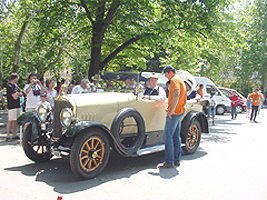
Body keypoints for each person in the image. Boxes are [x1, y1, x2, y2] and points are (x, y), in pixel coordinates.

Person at [158, 65, 187, 168]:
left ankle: (169, 162)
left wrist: (171, 110)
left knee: (168, 136)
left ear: (170, 72)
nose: (166, 77)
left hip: (174, 113)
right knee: (176, 136)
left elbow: (176, 94)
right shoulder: (179, 79)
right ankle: (176, 159)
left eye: (166, 74)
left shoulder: (174, 81)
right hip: (180, 112)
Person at [6, 73, 23, 142]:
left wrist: (17, 94)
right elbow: (14, 97)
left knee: (15, 121)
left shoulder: (16, 86)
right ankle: (8, 135)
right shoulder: (9, 86)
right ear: (15, 78)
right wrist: (17, 94)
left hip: (17, 105)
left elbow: (20, 94)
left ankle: (14, 134)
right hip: (12, 106)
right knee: (10, 120)